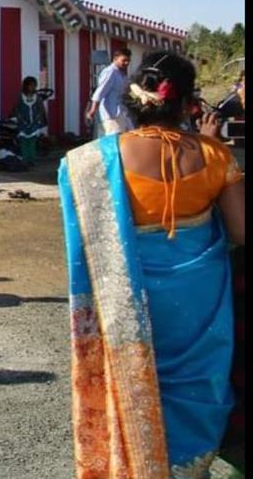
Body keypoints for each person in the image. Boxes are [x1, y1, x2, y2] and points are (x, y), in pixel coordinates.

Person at [58, 51, 243, 476]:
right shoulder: (215, 157)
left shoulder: (88, 163)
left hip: (127, 305)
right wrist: (209, 142)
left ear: (135, 98)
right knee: (195, 388)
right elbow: (241, 231)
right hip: (198, 308)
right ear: (187, 102)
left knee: (136, 385)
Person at [86, 46, 132, 137]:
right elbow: (99, 92)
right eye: (124, 60)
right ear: (115, 59)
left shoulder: (120, 73)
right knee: (113, 141)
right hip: (110, 114)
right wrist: (92, 111)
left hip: (120, 112)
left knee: (127, 137)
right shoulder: (110, 72)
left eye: (128, 61)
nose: (126, 63)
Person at [14, 77, 49, 166]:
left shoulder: (37, 97)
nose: (33, 87)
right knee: (24, 141)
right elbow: (17, 110)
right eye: (31, 85)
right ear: (26, 86)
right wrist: (21, 120)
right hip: (23, 123)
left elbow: (41, 110)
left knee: (32, 142)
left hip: (34, 122)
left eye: (34, 85)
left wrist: (38, 120)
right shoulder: (20, 96)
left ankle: (32, 159)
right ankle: (24, 159)